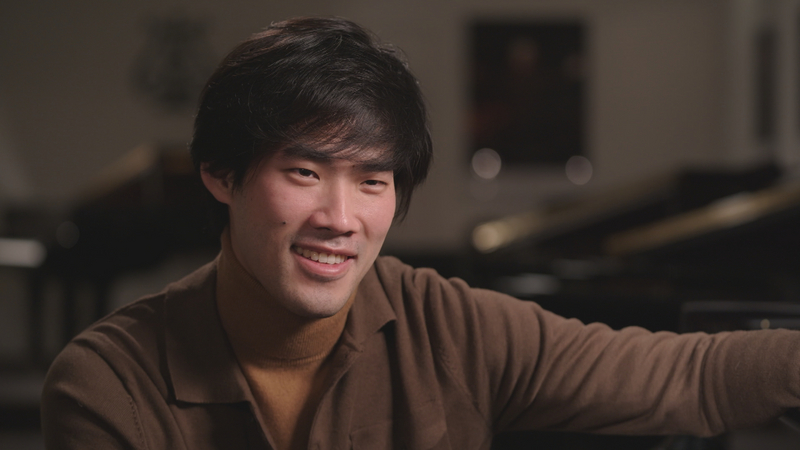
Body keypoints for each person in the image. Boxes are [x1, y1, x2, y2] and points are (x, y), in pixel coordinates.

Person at [41, 16, 800, 450]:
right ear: (220, 173)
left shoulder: (450, 326)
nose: (341, 217)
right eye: (305, 173)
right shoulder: (108, 384)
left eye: (373, 181)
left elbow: (685, 378)